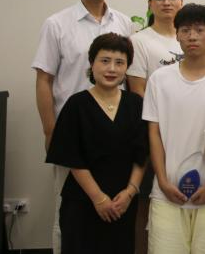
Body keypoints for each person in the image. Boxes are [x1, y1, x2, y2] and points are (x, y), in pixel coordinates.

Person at [33, 0, 133, 254]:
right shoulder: (57, 24)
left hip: (115, 136)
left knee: (114, 211)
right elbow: (44, 80)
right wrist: (50, 131)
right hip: (73, 135)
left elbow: (128, 78)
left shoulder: (124, 23)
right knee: (69, 214)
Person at [143, 4, 205, 254]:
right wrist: (162, 181)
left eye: (199, 30)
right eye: (185, 30)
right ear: (176, 35)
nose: (192, 36)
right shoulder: (159, 79)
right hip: (166, 194)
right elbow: (154, 134)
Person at [45, 33, 147, 254]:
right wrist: (98, 198)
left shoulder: (136, 104)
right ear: (92, 63)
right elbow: (72, 157)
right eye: (105, 61)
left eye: (119, 62)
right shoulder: (76, 104)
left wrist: (130, 192)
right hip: (82, 201)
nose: (112, 68)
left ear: (127, 67)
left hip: (123, 203)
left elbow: (142, 154)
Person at [126, 0, 185, 253]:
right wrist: (159, 127)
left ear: (181, 1)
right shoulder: (139, 41)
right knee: (147, 204)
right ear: (150, 3)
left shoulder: (190, 37)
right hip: (154, 133)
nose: (166, 3)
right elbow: (137, 90)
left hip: (189, 132)